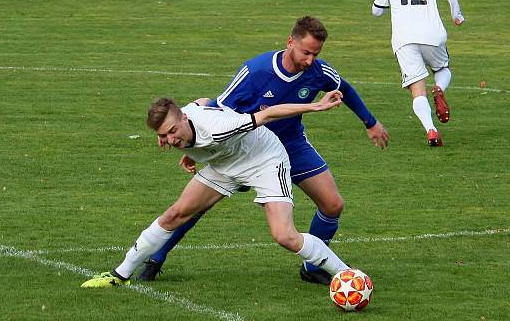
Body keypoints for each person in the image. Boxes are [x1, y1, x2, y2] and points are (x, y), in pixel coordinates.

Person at [137, 16, 389, 285]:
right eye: (306, 52)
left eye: (316, 54)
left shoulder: (319, 71)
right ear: (290, 42)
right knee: (196, 206)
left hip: (291, 145)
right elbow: (217, 110)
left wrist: (370, 122)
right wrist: (198, 146)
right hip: (245, 150)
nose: (310, 60)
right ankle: (157, 256)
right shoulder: (255, 72)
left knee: (332, 204)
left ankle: (313, 266)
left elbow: (345, 89)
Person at [81, 91, 352, 288]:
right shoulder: (184, 119)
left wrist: (315, 106)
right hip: (224, 164)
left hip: (264, 160)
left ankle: (347, 275)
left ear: (184, 119)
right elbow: (201, 102)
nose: (170, 140)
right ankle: (119, 275)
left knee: (284, 235)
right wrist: (190, 149)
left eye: (173, 132)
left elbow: (268, 114)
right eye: (163, 135)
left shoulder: (218, 129)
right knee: (174, 215)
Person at [371, 0, 465, 147]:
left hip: (404, 39)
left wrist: (380, 6)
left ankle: (430, 129)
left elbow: (377, 11)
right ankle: (440, 89)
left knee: (417, 88)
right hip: (433, 34)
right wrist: (456, 14)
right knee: (443, 69)